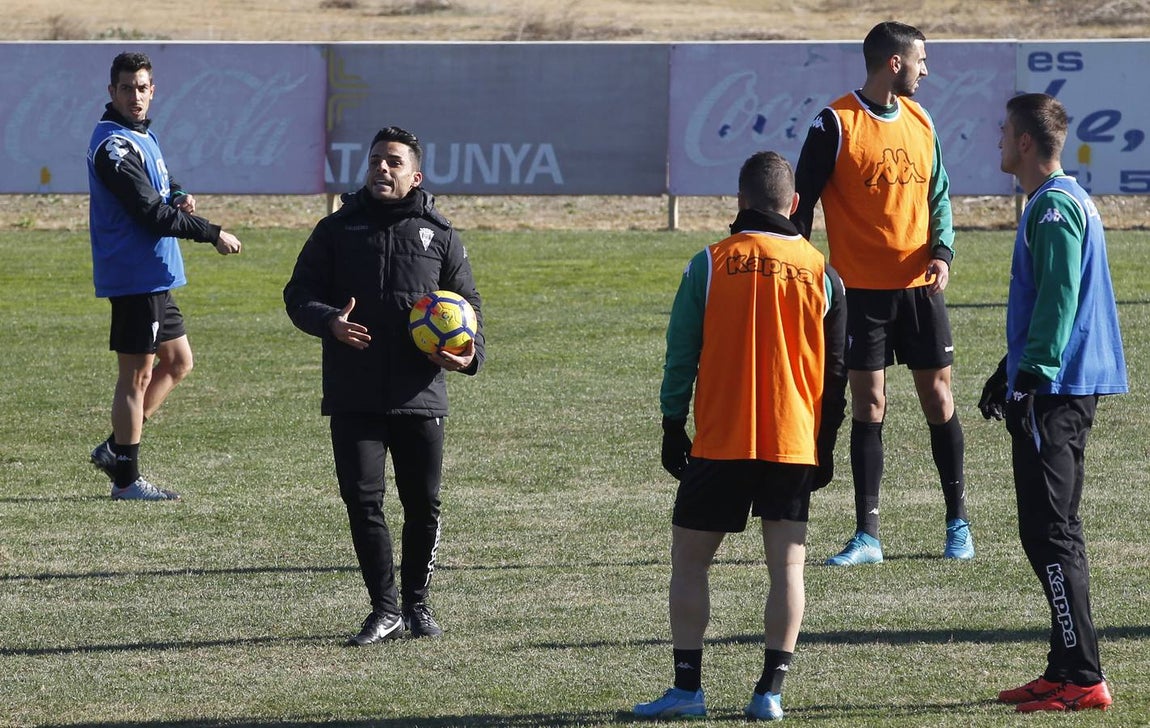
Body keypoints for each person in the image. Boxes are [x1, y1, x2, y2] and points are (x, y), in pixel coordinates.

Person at [634, 151, 847, 720]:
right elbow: (836, 375)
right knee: (788, 570)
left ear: (740, 201)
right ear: (795, 204)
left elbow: (681, 355)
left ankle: (687, 691)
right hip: (793, 441)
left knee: (689, 563)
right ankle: (769, 694)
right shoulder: (823, 272)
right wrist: (824, 446)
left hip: (720, 442)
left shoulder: (707, 263)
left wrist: (671, 422)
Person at [284, 126, 484, 644]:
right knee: (363, 501)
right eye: (375, 160)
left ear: (415, 175)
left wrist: (467, 356)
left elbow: (470, 309)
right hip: (354, 393)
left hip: (419, 396)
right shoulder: (336, 230)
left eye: (394, 162)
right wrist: (329, 320)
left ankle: (418, 606)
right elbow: (297, 293)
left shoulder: (439, 235)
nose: (382, 169)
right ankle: (385, 609)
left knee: (423, 506)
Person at [792, 20, 972, 565]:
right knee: (870, 406)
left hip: (919, 289)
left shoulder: (921, 119)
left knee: (939, 400)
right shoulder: (835, 123)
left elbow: (939, 192)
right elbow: (802, 205)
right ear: (894, 63)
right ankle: (867, 535)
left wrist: (942, 251)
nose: (926, 70)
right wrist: (804, 270)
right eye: (921, 60)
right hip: (860, 296)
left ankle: (958, 524)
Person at [980, 93, 1125, 713]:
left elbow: (1062, 298)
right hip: (1055, 384)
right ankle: (1064, 664)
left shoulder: (1052, 210)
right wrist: (1004, 369)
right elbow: (1049, 301)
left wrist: (1029, 377)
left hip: (1057, 392)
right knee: (1045, 531)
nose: (998, 141)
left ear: (1025, 144)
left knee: (1052, 533)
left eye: (1004, 133)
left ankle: (1083, 675)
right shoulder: (1057, 201)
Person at [87, 51, 243, 501]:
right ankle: (126, 480)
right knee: (136, 377)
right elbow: (150, 213)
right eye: (126, 88)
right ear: (111, 92)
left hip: (157, 275)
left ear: (152, 90)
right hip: (135, 277)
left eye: (142, 87)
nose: (135, 96)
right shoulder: (113, 146)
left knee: (178, 363)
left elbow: (161, 184)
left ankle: (116, 447)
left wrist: (179, 192)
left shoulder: (140, 136)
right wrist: (211, 233)